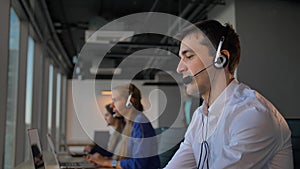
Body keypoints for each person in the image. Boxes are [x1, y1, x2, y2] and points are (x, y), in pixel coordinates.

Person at [164, 20, 293, 168]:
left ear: (220, 59)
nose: (179, 68)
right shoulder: (200, 116)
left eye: (189, 56)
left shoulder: (252, 115)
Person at [86, 83, 160, 169]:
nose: (111, 105)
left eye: (115, 100)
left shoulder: (140, 123)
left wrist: (107, 162)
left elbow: (137, 165)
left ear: (129, 102)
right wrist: (104, 160)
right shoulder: (129, 124)